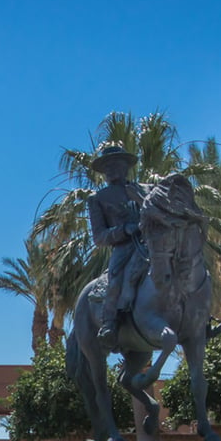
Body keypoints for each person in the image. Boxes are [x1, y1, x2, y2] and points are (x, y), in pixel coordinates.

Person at [87, 145, 146, 347]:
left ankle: (200, 319)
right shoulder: (98, 199)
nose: (111, 170)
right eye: (107, 167)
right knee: (115, 277)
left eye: (116, 165)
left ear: (126, 167)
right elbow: (99, 237)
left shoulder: (143, 189)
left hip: (152, 241)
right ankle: (109, 323)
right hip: (125, 246)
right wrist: (124, 230)